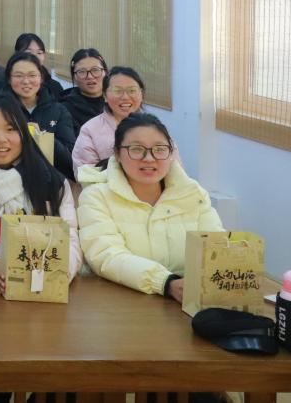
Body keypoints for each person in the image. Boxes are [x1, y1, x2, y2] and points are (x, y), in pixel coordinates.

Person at [78, 113, 222, 302]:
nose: (149, 158)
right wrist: (165, 283)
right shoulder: (96, 197)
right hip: (123, 304)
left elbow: (216, 247)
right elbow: (106, 255)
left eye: (159, 149)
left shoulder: (193, 194)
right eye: (137, 149)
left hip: (190, 301)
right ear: (117, 154)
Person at [0, 95, 81, 294]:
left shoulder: (51, 182)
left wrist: (59, 271)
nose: (1, 139)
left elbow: (68, 236)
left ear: (23, 133)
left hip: (47, 289)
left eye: (10, 129)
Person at [4, 51, 77, 180]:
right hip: (8, 180)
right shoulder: (0, 110)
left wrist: (43, 137)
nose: (26, 81)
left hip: (51, 183)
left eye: (32, 75)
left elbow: (71, 159)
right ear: (9, 79)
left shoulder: (59, 110)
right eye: (19, 75)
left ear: (41, 77)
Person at [73, 66, 149, 169]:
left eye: (132, 91)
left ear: (141, 94)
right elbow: (85, 173)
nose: (125, 97)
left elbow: (169, 164)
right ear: (105, 95)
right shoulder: (90, 130)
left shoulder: (152, 127)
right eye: (117, 91)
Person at [60, 49, 108, 130]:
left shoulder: (117, 102)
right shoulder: (64, 110)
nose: (90, 76)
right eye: (82, 72)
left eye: (95, 70)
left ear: (105, 72)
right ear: (74, 77)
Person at [13, 33, 64, 101]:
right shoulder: (8, 83)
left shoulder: (54, 86)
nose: (35, 57)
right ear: (17, 54)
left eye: (39, 53)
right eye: (29, 53)